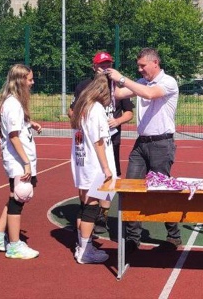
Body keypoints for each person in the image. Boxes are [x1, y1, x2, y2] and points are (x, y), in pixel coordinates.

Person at [105, 47, 181, 253]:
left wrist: (121, 78)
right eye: (138, 66)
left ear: (155, 63)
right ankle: (132, 238)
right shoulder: (141, 83)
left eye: (142, 65)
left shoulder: (168, 82)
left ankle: (174, 236)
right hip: (141, 144)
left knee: (161, 191)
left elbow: (149, 93)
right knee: (131, 189)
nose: (139, 70)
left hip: (161, 144)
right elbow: (120, 93)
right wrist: (106, 75)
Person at [68, 51, 134, 234]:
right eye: (101, 65)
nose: (105, 68)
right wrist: (81, 122)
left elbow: (129, 112)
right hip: (91, 142)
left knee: (109, 179)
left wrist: (117, 121)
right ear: (94, 66)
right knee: (89, 178)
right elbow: (72, 110)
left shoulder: (118, 87)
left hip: (111, 139)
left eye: (108, 64)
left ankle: (101, 217)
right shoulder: (84, 87)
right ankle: (86, 212)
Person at [0, 64, 41, 259]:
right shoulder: (12, 104)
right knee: (20, 197)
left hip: (20, 159)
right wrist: (26, 162)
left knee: (15, 197)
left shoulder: (15, 103)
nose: (32, 83)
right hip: (18, 160)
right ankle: (14, 245)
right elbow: (13, 136)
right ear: (19, 81)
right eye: (29, 80)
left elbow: (17, 127)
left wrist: (29, 123)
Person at [70, 73, 117, 264]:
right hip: (94, 165)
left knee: (84, 205)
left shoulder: (81, 106)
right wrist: (106, 168)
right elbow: (99, 141)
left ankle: (82, 245)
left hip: (82, 162)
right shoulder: (96, 108)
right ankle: (85, 251)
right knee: (91, 206)